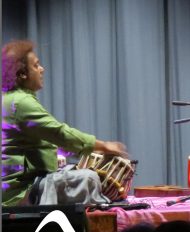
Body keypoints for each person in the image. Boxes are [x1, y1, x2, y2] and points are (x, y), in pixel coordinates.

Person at [2, 40, 128, 206]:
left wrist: (65, 153)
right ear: (22, 74)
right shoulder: (20, 103)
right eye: (36, 65)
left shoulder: (12, 100)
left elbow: (46, 139)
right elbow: (59, 134)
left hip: (25, 187)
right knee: (88, 178)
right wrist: (104, 146)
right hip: (21, 192)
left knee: (74, 170)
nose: (42, 69)